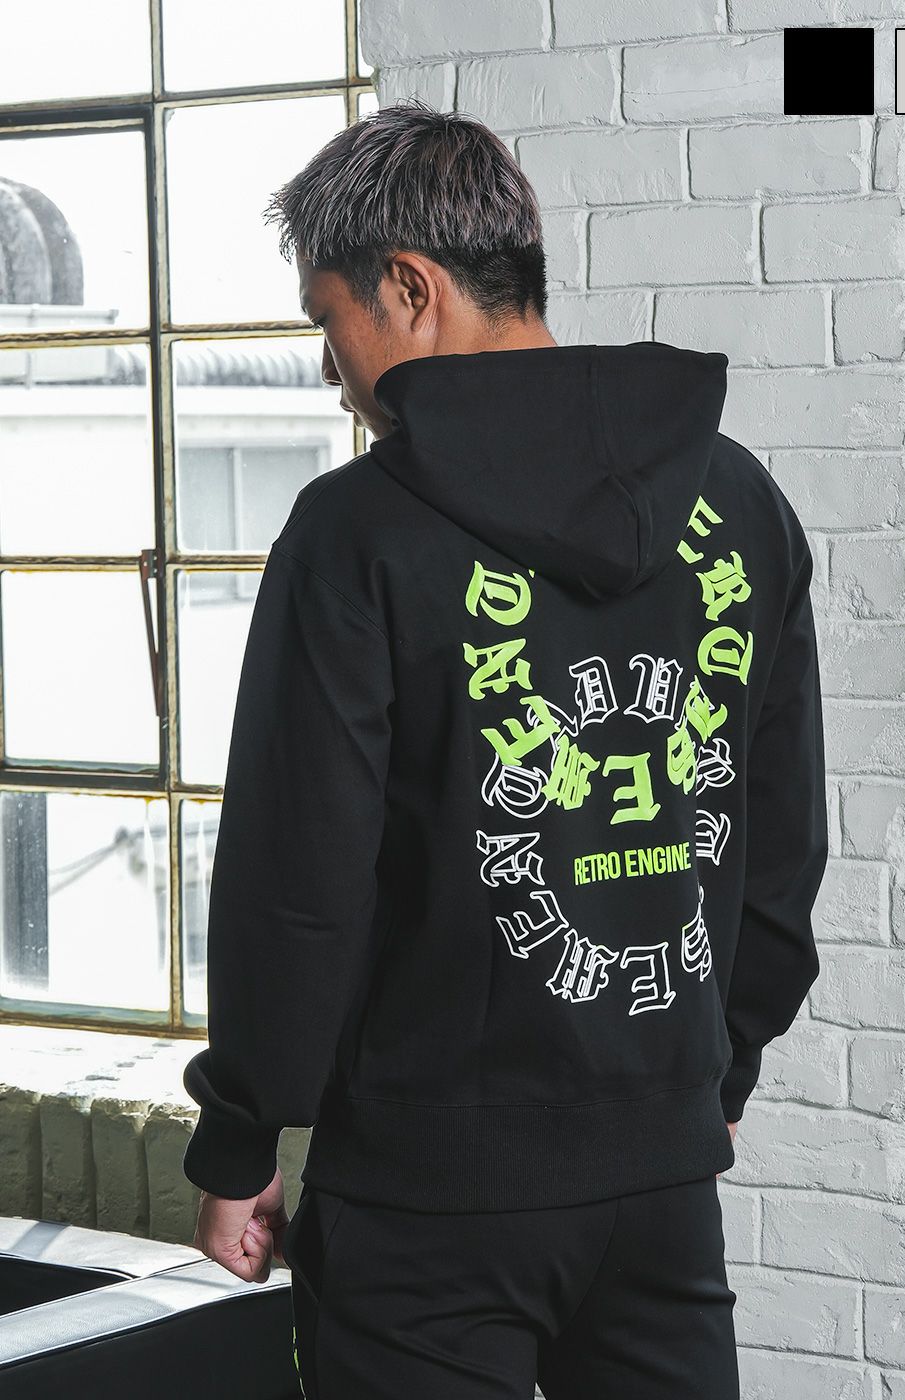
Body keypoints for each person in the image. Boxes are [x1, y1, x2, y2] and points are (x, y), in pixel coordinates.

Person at [181, 98, 828, 1400]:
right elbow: (779, 832)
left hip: (427, 1199)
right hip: (660, 1178)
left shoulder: (354, 533)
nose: (333, 372)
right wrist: (721, 1062)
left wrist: (241, 1137)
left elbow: (299, 877)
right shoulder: (740, 500)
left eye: (330, 323)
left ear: (409, 288)